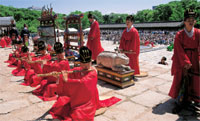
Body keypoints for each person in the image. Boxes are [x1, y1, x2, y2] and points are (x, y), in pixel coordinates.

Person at [49, 46, 121, 121]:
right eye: (83, 64)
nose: (85, 66)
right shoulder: (79, 69)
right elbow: (67, 74)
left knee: (78, 114)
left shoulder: (93, 73)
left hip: (88, 100)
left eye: (87, 63)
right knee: (61, 104)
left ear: (91, 61)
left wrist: (67, 80)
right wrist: (58, 76)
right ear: (80, 63)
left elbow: (82, 83)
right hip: (78, 97)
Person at [168, 9, 200, 113]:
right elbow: (178, 50)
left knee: (194, 80)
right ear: (184, 21)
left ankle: (193, 99)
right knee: (180, 80)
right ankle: (180, 101)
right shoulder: (179, 34)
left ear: (195, 21)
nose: (191, 21)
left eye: (193, 19)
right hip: (181, 60)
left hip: (194, 58)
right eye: (188, 19)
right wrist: (186, 62)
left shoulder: (198, 33)